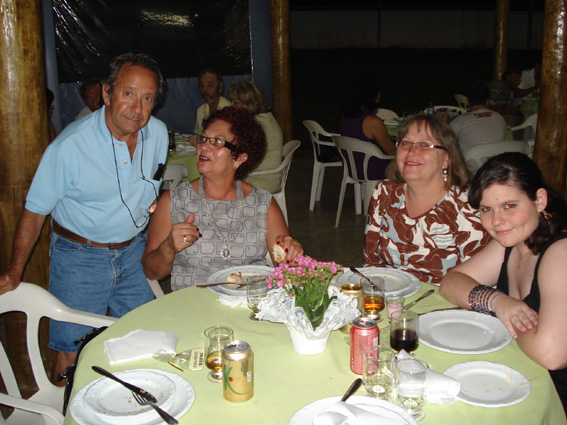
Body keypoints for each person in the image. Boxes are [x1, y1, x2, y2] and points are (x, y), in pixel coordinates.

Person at [0, 53, 168, 385]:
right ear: (107, 93)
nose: (137, 108)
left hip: (133, 251)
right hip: (79, 257)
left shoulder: (159, 134)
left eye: (147, 98)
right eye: (128, 93)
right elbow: (35, 211)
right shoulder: (69, 146)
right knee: (72, 351)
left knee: (142, 337)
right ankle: (65, 408)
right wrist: (16, 269)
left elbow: (151, 184)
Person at [439, 152, 567, 413]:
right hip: (520, 376)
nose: (496, 221)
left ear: (539, 200)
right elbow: (450, 282)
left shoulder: (560, 253)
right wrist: (497, 301)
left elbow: (552, 355)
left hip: (554, 400)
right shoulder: (512, 242)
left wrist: (505, 317)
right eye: (487, 209)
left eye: (509, 206)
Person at [142, 106, 303, 291]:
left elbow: (288, 271)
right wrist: (168, 247)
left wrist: (292, 254)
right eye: (203, 139)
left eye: (217, 141)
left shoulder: (262, 204)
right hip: (193, 304)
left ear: (239, 158)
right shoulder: (174, 200)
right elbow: (151, 272)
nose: (204, 146)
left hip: (248, 302)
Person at [363, 114, 490, 284]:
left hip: (443, 298)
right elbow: (370, 262)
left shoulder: (468, 208)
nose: (411, 151)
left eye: (424, 145)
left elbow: (475, 283)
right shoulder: (384, 192)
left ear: (446, 159)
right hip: (389, 294)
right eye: (406, 143)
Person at [227, 81, 283, 193]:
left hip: (263, 179)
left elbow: (245, 156)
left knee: (215, 183)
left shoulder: (259, 124)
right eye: (231, 102)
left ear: (248, 103)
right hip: (263, 174)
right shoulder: (264, 117)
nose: (231, 106)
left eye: (236, 103)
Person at [340, 75, 396, 180]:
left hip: (353, 167)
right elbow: (392, 151)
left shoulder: (347, 116)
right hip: (372, 169)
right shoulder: (372, 121)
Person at [450, 83, 507, 159]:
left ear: (467, 101)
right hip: (496, 164)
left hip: (470, 165)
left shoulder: (460, 120)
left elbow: (446, 139)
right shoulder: (499, 118)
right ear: (487, 102)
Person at [193, 68, 231, 136]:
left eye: (210, 85)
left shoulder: (229, 109)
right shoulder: (201, 110)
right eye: (202, 85)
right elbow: (198, 134)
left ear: (219, 89)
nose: (204, 90)